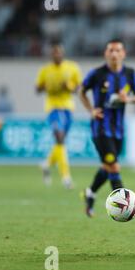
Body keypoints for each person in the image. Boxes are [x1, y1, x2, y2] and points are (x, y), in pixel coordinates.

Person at [79, 39, 135, 217]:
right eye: (111, 50)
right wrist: (91, 110)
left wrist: (127, 99)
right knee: (114, 167)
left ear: (123, 54)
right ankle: (125, 206)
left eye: (117, 50)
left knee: (108, 166)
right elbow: (81, 91)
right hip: (100, 128)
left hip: (118, 130)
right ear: (106, 54)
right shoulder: (97, 74)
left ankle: (90, 192)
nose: (114, 53)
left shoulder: (130, 73)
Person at [36, 42, 82, 189]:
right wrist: (46, 87)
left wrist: (68, 86)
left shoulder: (72, 68)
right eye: (54, 52)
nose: (56, 55)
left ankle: (46, 164)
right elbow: (38, 88)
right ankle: (66, 177)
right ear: (51, 54)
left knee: (59, 143)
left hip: (68, 108)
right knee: (60, 138)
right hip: (53, 107)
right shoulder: (45, 70)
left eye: (59, 52)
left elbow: (79, 88)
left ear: (62, 53)